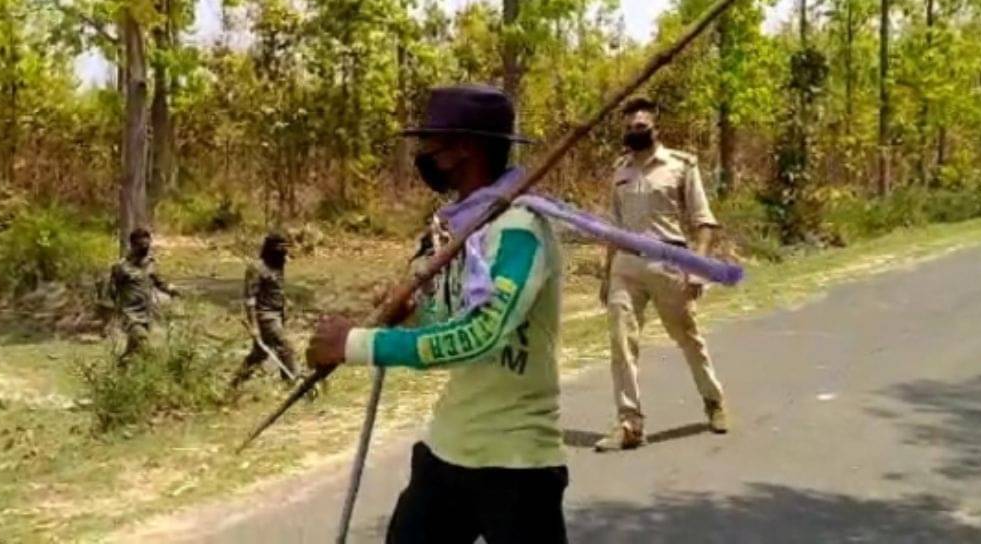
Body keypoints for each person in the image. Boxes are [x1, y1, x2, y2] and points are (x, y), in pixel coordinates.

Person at [308, 84, 569, 544]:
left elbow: (481, 336)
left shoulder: (520, 228)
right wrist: (414, 315)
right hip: (448, 451)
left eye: (431, 143)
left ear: (464, 148)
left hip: (516, 463)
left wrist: (355, 345)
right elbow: (450, 328)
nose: (424, 154)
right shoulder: (466, 228)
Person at [595, 96, 729, 452]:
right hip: (626, 264)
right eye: (629, 127)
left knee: (688, 337)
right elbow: (614, 228)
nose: (634, 131)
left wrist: (698, 268)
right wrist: (607, 275)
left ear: (656, 127)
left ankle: (713, 400)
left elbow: (704, 222)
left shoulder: (681, 165)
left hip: (668, 262)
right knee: (621, 342)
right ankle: (629, 423)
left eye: (641, 126)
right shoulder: (620, 170)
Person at [230, 233, 300, 387]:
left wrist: (285, 304)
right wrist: (254, 327)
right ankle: (293, 385)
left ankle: (235, 383)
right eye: (281, 247)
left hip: (278, 313)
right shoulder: (256, 268)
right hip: (265, 315)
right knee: (285, 346)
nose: (285, 252)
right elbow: (250, 299)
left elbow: (276, 288)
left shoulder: (278, 264)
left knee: (259, 354)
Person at [108, 227, 180, 364]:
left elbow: (159, 282)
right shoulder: (121, 267)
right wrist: (116, 310)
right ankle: (154, 374)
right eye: (141, 245)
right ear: (133, 245)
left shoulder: (150, 263)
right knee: (144, 345)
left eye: (147, 245)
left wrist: (171, 290)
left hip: (147, 315)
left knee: (133, 350)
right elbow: (112, 291)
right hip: (130, 316)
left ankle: (120, 368)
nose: (145, 248)